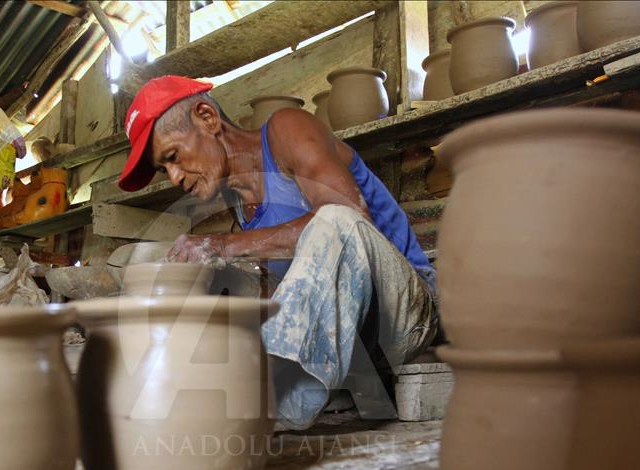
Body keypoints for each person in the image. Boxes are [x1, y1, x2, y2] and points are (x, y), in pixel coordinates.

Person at [117, 75, 438, 429]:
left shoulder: (287, 129)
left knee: (335, 220)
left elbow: (349, 214)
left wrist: (221, 246)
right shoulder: (240, 204)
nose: (174, 176)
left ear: (207, 118)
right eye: (165, 169)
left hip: (406, 315)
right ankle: (224, 393)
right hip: (351, 343)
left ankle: (260, 399)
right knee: (225, 292)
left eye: (173, 156)